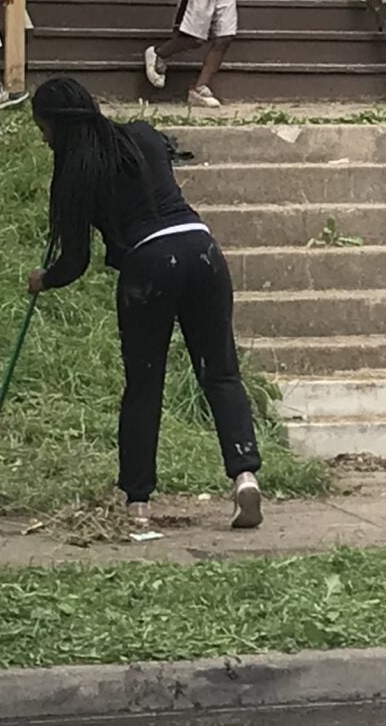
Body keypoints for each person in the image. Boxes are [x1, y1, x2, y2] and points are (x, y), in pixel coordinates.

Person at [24, 77, 264, 531]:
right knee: (220, 371)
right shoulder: (142, 136)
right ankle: (244, 475)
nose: (44, 139)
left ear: (57, 126)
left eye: (44, 130)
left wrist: (45, 280)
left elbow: (75, 262)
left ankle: (138, 504)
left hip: (149, 263)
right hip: (202, 249)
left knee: (144, 383)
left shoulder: (74, 175)